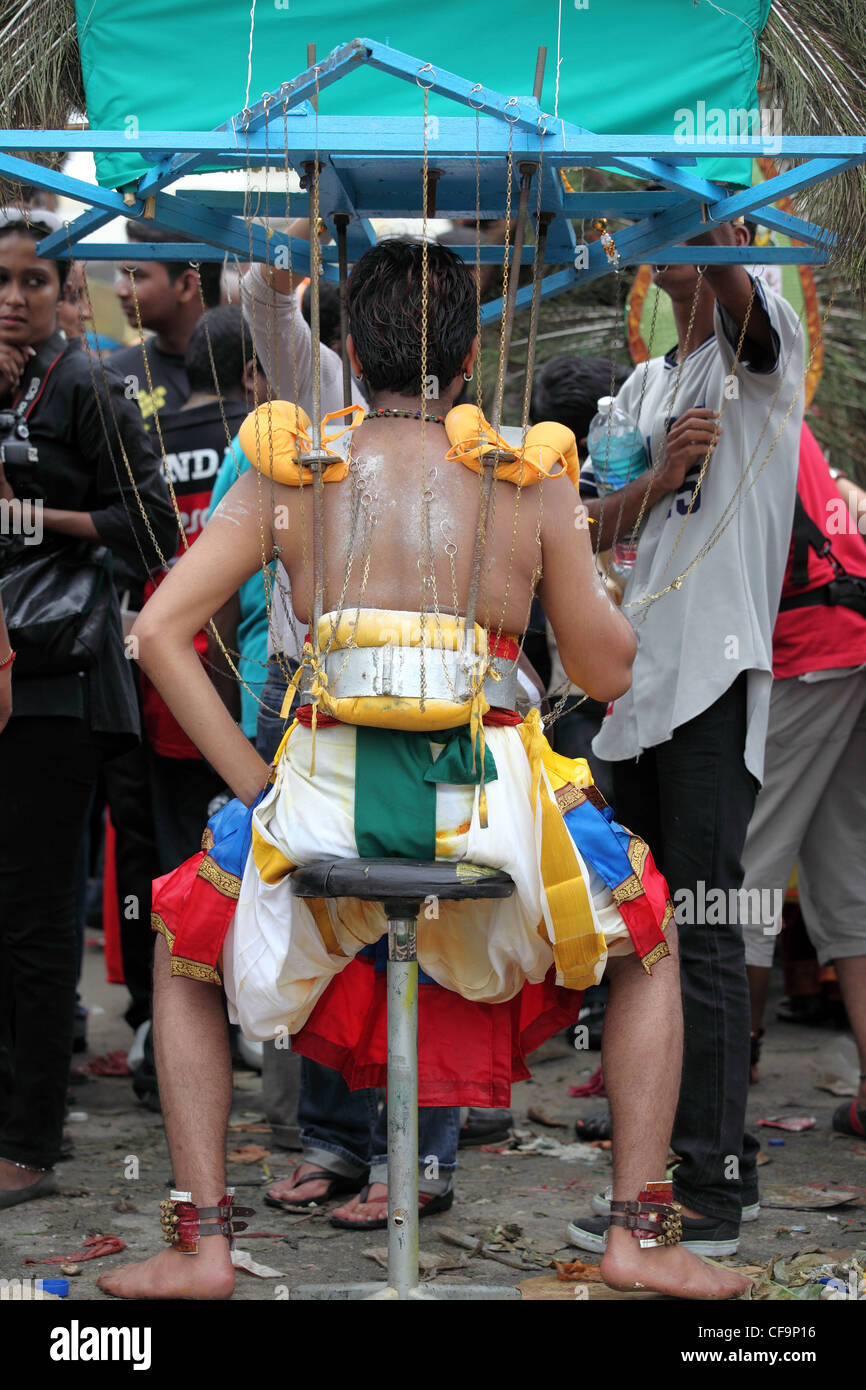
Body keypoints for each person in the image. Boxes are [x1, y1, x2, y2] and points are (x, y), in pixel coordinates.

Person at [98, 238, 747, 1300]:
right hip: (488, 819)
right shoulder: (526, 476)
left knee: (182, 946)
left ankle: (202, 1243)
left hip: (317, 808)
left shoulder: (292, 465)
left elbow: (161, 631)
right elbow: (605, 671)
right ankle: (639, 1228)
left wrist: (256, 787)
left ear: (351, 348)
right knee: (649, 937)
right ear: (473, 351)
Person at [567, 218, 806, 1258]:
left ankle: (709, 1185)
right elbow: (580, 532)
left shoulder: (763, 345)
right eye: (654, 219)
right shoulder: (633, 392)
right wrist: (655, 480)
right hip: (632, 693)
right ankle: (665, 1171)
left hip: (711, 681)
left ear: (730, 236)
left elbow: (742, 310)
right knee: (647, 936)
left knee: (706, 928)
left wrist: (712, 227)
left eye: (689, 220)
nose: (668, 237)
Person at [0, 209, 175, 1206]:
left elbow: (150, 529)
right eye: (0, 280)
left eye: (34, 280)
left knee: (34, 919)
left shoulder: (93, 386)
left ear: (66, 292)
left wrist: (33, 516)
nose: (14, 298)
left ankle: (30, 1139)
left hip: (59, 682)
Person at [741, 422, 866, 1133]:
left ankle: (722, 1086)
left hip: (804, 654)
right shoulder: (795, 424)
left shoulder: (732, 409)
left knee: (741, 883)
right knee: (848, 878)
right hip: (851, 640)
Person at [111, 222, 222, 422]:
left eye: (136, 276)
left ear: (187, 285)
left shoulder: (252, 369)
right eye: (123, 275)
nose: (121, 290)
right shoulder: (116, 374)